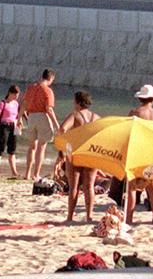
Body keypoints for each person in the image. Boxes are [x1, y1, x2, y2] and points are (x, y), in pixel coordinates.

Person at [59, 92, 101, 223]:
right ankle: (89, 216)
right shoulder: (97, 118)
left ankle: (70, 217)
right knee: (89, 186)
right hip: (91, 153)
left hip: (76, 152)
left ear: (77, 102)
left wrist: (65, 147)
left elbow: (62, 129)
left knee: (74, 187)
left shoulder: (75, 115)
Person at [21, 69, 60, 182]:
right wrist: (56, 124)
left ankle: (27, 173)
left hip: (31, 117)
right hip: (42, 116)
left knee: (31, 146)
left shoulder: (31, 88)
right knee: (41, 147)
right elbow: (49, 109)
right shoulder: (48, 90)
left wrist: (19, 118)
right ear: (51, 78)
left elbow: (24, 104)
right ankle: (36, 174)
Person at [0, 84, 21, 178]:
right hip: (4, 125)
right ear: (10, 93)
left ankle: (14, 171)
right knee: (0, 150)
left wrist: (19, 123)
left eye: (17, 96)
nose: (16, 97)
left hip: (13, 126)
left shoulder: (16, 104)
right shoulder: (3, 103)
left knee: (12, 150)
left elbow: (17, 116)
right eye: (15, 95)